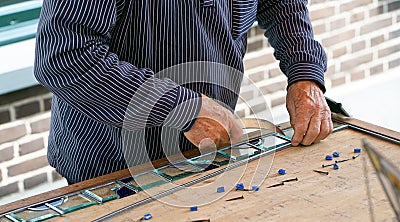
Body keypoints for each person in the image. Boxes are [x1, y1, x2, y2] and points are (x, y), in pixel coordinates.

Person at [34, 0, 333, 184]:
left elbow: (281, 2)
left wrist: (304, 70)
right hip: (112, 168)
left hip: (208, 160)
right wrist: (182, 108)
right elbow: (64, 57)